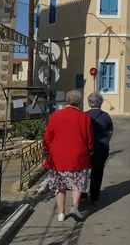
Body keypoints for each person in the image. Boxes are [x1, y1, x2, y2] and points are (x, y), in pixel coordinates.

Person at [43, 90, 93, 222]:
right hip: (78, 156)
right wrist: (90, 150)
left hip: (58, 157)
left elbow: (48, 136)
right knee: (77, 183)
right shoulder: (85, 117)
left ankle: (60, 213)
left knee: (60, 185)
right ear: (79, 102)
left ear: (66, 101)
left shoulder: (55, 116)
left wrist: (46, 149)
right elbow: (89, 139)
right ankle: (74, 207)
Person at [83, 92, 114, 205]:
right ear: (100, 102)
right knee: (98, 172)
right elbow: (110, 132)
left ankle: (82, 195)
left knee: (84, 172)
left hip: (86, 149)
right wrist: (106, 141)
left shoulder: (84, 115)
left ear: (88, 103)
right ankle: (94, 197)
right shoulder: (105, 116)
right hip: (101, 148)